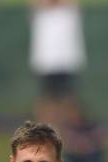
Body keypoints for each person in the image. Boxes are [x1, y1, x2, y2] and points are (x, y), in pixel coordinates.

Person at [30, 0, 86, 128]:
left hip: (66, 54)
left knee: (68, 98)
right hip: (46, 55)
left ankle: (67, 135)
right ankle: (45, 134)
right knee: (46, 97)